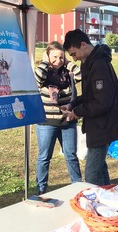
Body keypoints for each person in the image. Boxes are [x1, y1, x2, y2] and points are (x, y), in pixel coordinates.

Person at [63, 29, 118, 186]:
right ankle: (107, 198)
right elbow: (90, 95)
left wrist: (76, 112)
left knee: (92, 175)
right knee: (100, 169)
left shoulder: (99, 64)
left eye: (74, 54)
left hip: (103, 126)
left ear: (83, 44)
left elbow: (102, 102)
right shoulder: (89, 62)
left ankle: (96, 204)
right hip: (97, 125)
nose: (74, 58)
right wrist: (72, 104)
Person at [35, 41, 82, 195]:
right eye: (54, 57)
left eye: (61, 57)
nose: (58, 60)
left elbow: (81, 75)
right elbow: (37, 78)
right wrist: (44, 61)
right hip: (46, 122)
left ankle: (77, 187)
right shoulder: (44, 72)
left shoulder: (67, 72)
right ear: (48, 56)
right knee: (44, 157)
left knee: (71, 155)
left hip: (67, 121)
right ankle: (41, 190)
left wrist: (68, 63)